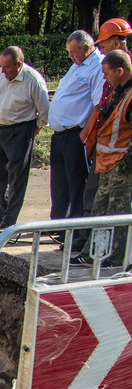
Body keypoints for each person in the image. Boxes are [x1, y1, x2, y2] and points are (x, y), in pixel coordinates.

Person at [71, 50, 132, 267]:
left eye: (107, 74)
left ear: (120, 70)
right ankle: (94, 254)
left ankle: (115, 258)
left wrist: (125, 163)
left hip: (121, 167)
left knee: (118, 213)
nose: (105, 79)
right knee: (99, 210)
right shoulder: (119, 92)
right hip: (107, 163)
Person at [47, 31, 103, 247]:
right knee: (59, 185)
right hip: (60, 135)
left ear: (86, 48)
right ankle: (60, 227)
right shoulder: (77, 65)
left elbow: (98, 104)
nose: (70, 56)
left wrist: (84, 134)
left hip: (75, 135)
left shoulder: (97, 65)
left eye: (72, 52)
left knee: (76, 185)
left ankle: (76, 232)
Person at [0, 46, 49, 232]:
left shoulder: (33, 80)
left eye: (7, 67)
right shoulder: (1, 74)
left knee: (17, 177)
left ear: (19, 64)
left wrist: (34, 129)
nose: (2, 71)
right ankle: (1, 215)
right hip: (0, 129)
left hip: (20, 130)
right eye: (1, 66)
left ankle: (10, 220)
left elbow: (44, 111)